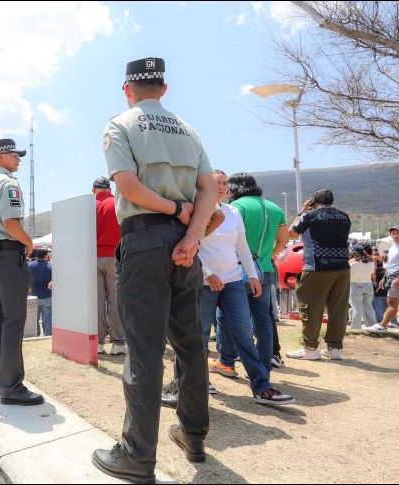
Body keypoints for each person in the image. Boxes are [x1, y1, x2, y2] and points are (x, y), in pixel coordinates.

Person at [92, 57, 217, 482]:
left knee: (145, 348)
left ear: (127, 89)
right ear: (163, 89)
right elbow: (209, 191)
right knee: (190, 342)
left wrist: (172, 209)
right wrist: (191, 235)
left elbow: (126, 186)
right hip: (185, 245)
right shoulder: (189, 130)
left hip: (144, 239)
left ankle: (137, 454)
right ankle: (194, 435)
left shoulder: (119, 125)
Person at [196, 170, 294, 404]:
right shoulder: (197, 210)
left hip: (232, 281)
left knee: (244, 335)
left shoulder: (233, 213)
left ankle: (262, 386)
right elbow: (192, 245)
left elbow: (241, 247)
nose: (221, 187)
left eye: (224, 183)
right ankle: (196, 381)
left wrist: (251, 275)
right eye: (215, 183)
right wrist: (207, 274)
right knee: (199, 335)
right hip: (204, 283)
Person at [0, 138, 43, 406]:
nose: (18, 158)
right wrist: (28, 242)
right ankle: (12, 386)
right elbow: (11, 223)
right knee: (13, 321)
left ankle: (1, 379)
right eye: (14, 154)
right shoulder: (8, 183)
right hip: (7, 255)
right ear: (0, 156)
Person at [219, 173, 288, 371]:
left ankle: (227, 362)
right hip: (265, 269)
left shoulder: (237, 208)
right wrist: (269, 256)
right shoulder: (275, 208)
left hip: (237, 271)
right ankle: (263, 367)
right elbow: (283, 241)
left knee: (226, 316)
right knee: (263, 320)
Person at [285, 189, 351, 360]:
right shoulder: (344, 216)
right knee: (338, 309)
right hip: (342, 268)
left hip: (316, 267)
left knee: (311, 308)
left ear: (313, 201)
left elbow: (291, 232)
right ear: (332, 200)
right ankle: (334, 349)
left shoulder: (310, 215)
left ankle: (311, 349)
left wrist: (302, 211)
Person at [93, 176, 125, 355]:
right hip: (114, 256)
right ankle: (118, 343)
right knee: (115, 300)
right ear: (109, 188)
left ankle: (98, 343)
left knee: (97, 301)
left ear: (93, 189)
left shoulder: (88, 206)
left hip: (93, 257)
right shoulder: (116, 202)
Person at [365, 226, 399, 334]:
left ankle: (382, 326)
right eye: (393, 233)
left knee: (391, 302)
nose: (395, 235)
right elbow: (391, 265)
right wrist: (384, 278)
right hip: (392, 276)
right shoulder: (393, 247)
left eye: (398, 233)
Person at [348, 244, 376, 330]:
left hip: (355, 284)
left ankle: (356, 327)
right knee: (368, 306)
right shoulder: (371, 262)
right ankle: (371, 326)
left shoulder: (352, 264)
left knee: (356, 307)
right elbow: (372, 274)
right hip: (368, 284)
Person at [28, 248, 53, 336]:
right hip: (47, 295)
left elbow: (27, 280)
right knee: (48, 319)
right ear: (46, 256)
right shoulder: (50, 266)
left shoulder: (30, 265)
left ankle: (36, 335)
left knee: (34, 319)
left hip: (34, 296)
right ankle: (47, 335)